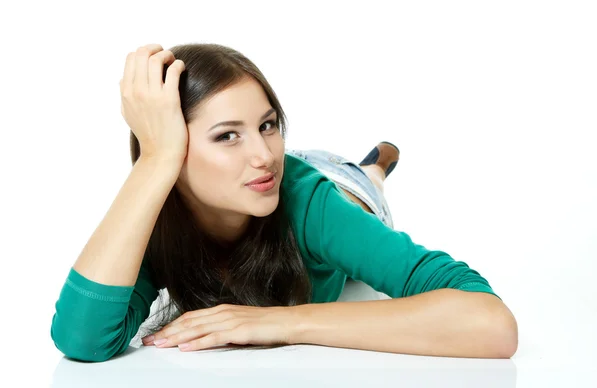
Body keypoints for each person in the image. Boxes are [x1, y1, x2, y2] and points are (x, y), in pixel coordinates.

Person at [50, 43, 518, 362]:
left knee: (361, 190)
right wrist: (154, 160)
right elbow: (82, 339)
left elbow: (491, 323)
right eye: (227, 135)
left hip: (333, 183)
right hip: (249, 185)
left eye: (268, 124)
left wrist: (277, 323)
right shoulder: (157, 210)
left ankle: (376, 166)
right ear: (172, 151)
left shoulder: (309, 203)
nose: (263, 154)